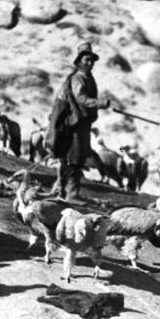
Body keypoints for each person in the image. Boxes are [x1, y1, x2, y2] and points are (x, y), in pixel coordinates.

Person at [46, 42, 110, 201]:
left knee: (75, 158)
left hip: (82, 123)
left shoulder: (88, 78)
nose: (90, 63)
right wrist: (100, 103)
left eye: (92, 61)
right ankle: (71, 194)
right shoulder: (78, 78)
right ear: (80, 61)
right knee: (73, 159)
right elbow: (81, 98)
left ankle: (60, 190)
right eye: (87, 60)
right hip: (73, 124)